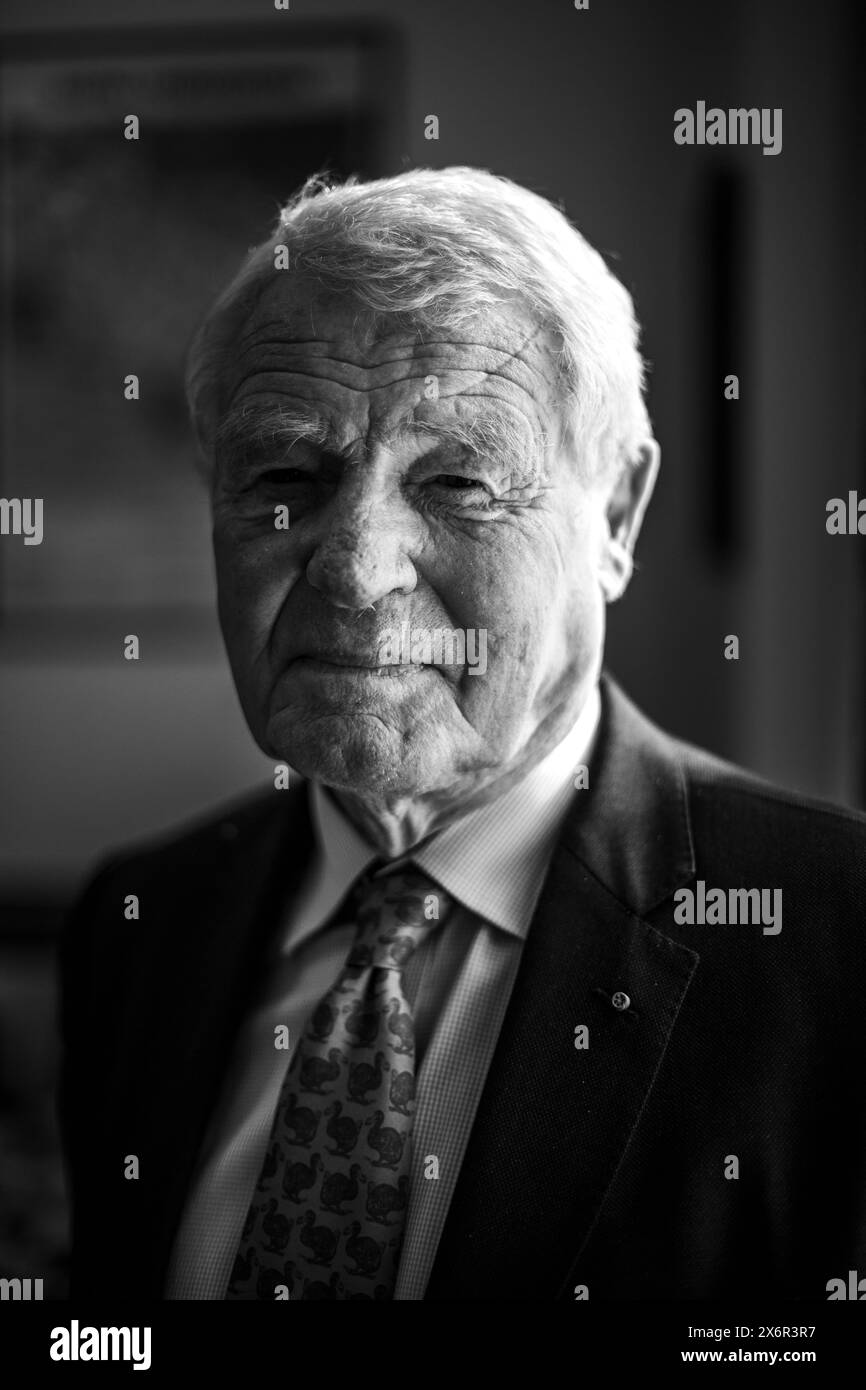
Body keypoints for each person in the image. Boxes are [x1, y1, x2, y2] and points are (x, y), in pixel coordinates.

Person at [59, 167, 866, 1302]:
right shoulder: (140, 924)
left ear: (617, 516)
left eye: (457, 481)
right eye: (286, 476)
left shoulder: (833, 944)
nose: (352, 570)